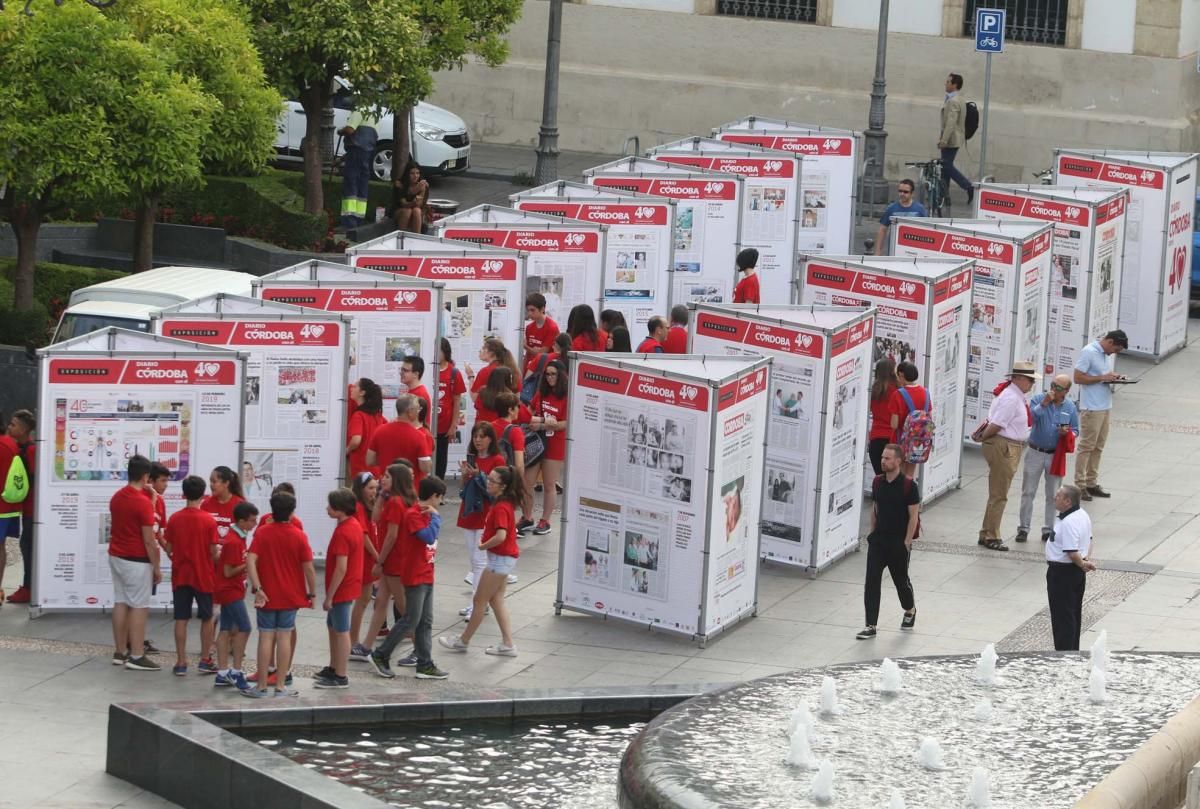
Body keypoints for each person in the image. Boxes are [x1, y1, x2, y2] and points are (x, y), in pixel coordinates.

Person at [438, 465, 525, 657]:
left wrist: (483, 545)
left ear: (502, 486)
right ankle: (508, 644)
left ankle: (463, 641)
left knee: (479, 600)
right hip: (503, 559)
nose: (488, 483)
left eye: (492, 481)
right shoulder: (503, 504)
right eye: (489, 479)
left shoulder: (501, 507)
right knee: (496, 600)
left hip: (499, 560)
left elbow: (501, 535)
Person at [369, 476, 449, 680]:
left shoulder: (424, 513)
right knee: (411, 619)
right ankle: (380, 654)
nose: (440, 502)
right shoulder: (413, 514)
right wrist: (436, 517)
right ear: (434, 496)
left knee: (425, 621)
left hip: (427, 573)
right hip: (415, 575)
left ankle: (424, 664)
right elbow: (428, 537)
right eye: (440, 498)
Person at [244, 491, 315, 698]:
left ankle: (262, 686)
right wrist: (312, 593)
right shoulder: (299, 535)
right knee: (284, 636)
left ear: (272, 511)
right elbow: (309, 568)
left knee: (265, 636)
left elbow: (250, 560)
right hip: (291, 595)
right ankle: (281, 686)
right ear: (292, 513)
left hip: (267, 595)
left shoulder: (263, 532)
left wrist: (257, 588)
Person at [973, 361, 1039, 552]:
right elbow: (997, 424)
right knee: (999, 494)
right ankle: (992, 536)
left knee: (997, 492)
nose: (1032, 383)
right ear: (1017, 378)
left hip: (1007, 445)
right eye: (1029, 380)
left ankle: (986, 532)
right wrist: (983, 437)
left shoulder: (1013, 394)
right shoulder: (1011, 397)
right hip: (1005, 446)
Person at [856, 443, 919, 639]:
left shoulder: (909, 485)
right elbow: (875, 509)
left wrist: (907, 542)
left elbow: (913, 517)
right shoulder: (877, 482)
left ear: (898, 461)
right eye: (882, 457)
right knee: (872, 582)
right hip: (879, 542)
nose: (883, 461)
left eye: (887, 458)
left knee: (901, 581)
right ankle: (870, 625)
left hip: (898, 543)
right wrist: (872, 534)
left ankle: (910, 610)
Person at [109, 455, 161, 671]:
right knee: (139, 606)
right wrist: (157, 567)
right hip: (136, 560)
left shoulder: (117, 497)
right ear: (146, 476)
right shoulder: (142, 503)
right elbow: (149, 540)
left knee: (121, 602)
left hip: (116, 555)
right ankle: (137, 655)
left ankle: (120, 651)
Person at [164, 475, 220, 676]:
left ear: (183, 494)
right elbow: (214, 553)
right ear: (203, 495)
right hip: (203, 575)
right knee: (207, 618)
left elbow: (169, 549)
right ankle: (205, 659)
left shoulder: (175, 518)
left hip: (181, 575)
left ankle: (181, 662)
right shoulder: (208, 521)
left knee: (181, 618)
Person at [1017, 374, 1080, 544]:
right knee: (1028, 491)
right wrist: (1043, 404)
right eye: (1052, 385)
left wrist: (1068, 434)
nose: (1053, 390)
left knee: (1053, 494)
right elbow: (1030, 419)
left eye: (1058, 388)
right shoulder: (1039, 399)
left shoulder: (1069, 406)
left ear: (1066, 391)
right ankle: (1023, 528)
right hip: (1035, 451)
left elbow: (1076, 429)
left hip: (1055, 454)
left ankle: (1048, 528)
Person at [315, 488, 365, 689]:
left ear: (339, 509)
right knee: (333, 626)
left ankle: (341, 675)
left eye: (330, 505)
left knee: (342, 630)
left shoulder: (343, 531)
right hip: (349, 586)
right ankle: (334, 666)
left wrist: (330, 596)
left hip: (342, 590)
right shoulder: (353, 525)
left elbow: (341, 568)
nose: (327, 508)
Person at [364, 463, 418, 646]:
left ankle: (421, 651)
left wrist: (379, 561)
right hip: (395, 559)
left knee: (403, 606)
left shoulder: (395, 502)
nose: (382, 479)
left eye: (387, 476)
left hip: (394, 560)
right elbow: (375, 518)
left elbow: (391, 535)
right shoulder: (397, 499)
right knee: (380, 602)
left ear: (396, 480)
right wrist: (380, 496)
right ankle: (366, 645)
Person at [457, 423, 506, 618]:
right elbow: (463, 489)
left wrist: (481, 476)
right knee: (474, 560)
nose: (478, 440)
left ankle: (477, 604)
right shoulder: (473, 459)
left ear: (491, 439)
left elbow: (497, 489)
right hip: (470, 512)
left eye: (482, 436)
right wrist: (465, 476)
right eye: (475, 436)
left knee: (479, 561)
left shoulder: (497, 460)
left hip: (486, 513)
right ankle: (480, 602)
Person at [1073, 329, 1128, 500]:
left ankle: (1091, 482)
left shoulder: (1104, 354)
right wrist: (1102, 377)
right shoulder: (1089, 352)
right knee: (1086, 447)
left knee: (1098, 446)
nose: (1114, 353)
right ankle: (1079, 485)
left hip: (1105, 405)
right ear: (1110, 342)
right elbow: (1078, 378)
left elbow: (1101, 376)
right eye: (1116, 349)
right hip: (1091, 407)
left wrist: (1113, 377)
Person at [1046, 484, 1096, 651]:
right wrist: (1085, 559)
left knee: (1062, 617)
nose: (1055, 498)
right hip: (1074, 572)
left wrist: (1081, 563)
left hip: (1062, 573)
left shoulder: (1069, 522)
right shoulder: (1082, 515)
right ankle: (1072, 651)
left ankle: (1064, 654)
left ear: (1068, 501)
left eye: (1058, 496)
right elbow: (1089, 540)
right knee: (1073, 614)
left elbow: (1071, 552)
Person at [213, 501, 257, 691]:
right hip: (230, 590)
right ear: (241, 521)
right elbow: (228, 571)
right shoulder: (233, 541)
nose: (254, 524)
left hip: (230, 589)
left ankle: (222, 673)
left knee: (224, 629)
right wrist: (247, 564)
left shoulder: (238, 537)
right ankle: (237, 672)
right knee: (245, 628)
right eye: (251, 521)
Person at [525, 360, 568, 536]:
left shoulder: (566, 396)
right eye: (548, 374)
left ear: (561, 376)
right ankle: (527, 517)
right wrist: (536, 421)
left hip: (555, 443)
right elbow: (529, 412)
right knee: (527, 482)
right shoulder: (541, 394)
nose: (550, 378)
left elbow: (565, 423)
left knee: (549, 485)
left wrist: (543, 425)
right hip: (536, 442)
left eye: (554, 374)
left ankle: (545, 520)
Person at [349, 472, 383, 660]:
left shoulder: (370, 506)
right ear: (360, 489)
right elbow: (363, 536)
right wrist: (378, 556)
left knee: (365, 601)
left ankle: (355, 641)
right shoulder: (358, 507)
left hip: (369, 560)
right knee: (361, 602)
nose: (374, 491)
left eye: (376, 487)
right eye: (370, 488)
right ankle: (353, 641)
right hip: (364, 560)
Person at [4, 410, 34, 605]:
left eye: (13, 425)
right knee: (26, 544)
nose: (9, 427)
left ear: (23, 429)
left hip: (32, 508)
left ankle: (29, 588)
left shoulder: (30, 451)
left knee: (27, 545)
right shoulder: (19, 448)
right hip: (27, 507)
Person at [366, 395, 433, 483]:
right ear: (410, 412)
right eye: (417, 408)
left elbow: (370, 461)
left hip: (387, 486)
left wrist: (385, 459)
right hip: (410, 488)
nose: (418, 411)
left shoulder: (380, 430)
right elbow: (425, 468)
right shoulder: (419, 436)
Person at [338, 108, 379, 229]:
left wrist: (341, 131)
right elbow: (364, 146)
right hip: (367, 154)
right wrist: (341, 160)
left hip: (355, 153)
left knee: (351, 184)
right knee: (362, 186)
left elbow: (350, 130)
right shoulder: (374, 116)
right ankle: (358, 221)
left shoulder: (359, 110)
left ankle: (348, 223)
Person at [889, 362, 930, 479]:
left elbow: (894, 424)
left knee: (898, 475)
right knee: (909, 475)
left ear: (901, 375)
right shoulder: (925, 393)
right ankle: (909, 494)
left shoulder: (897, 395)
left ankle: (899, 497)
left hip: (900, 440)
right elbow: (929, 418)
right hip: (919, 441)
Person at [938, 73, 974, 205]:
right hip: (952, 138)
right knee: (944, 167)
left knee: (946, 165)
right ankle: (944, 196)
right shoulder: (957, 99)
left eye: (948, 82)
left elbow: (951, 123)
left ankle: (968, 187)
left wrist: (944, 140)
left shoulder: (953, 101)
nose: (945, 84)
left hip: (951, 139)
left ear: (954, 85)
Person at [435, 339, 467, 480]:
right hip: (427, 423)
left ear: (445, 351)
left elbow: (457, 400)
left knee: (441, 458)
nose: (435, 352)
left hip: (444, 424)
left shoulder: (453, 372)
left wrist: (454, 425)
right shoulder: (428, 369)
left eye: (439, 349)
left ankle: (438, 492)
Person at [467, 337, 521, 420]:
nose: (480, 351)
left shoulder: (485, 372)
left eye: (483, 348)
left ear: (491, 353)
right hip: (506, 421)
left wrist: (471, 377)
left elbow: (475, 398)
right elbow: (517, 397)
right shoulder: (512, 370)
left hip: (487, 422)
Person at [346, 378, 386, 478]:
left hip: (360, 468)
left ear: (362, 393)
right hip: (375, 467)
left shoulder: (358, 415)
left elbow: (356, 440)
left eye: (355, 387)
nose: (351, 389)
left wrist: (346, 450)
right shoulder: (378, 416)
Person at [875, 179, 927, 255]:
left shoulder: (920, 209)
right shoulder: (891, 208)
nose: (902, 194)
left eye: (905, 192)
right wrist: (878, 251)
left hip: (914, 251)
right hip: (894, 251)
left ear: (912, 194)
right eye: (900, 191)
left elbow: (927, 231)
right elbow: (882, 230)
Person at [868, 358, 898, 475]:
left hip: (876, 438)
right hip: (892, 438)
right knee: (892, 480)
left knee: (880, 480)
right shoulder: (897, 391)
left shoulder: (873, 390)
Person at [201, 466, 245, 539]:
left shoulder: (240, 504)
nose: (211, 485)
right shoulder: (206, 503)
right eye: (210, 481)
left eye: (214, 481)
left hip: (232, 549)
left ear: (226, 483)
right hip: (212, 549)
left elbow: (243, 533)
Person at [524, 293, 560, 370]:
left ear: (542, 309)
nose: (529, 313)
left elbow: (542, 353)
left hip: (545, 369)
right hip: (531, 368)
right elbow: (529, 354)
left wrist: (525, 346)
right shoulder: (529, 327)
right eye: (528, 310)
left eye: (532, 310)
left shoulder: (552, 328)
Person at [392, 163, 429, 233]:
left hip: (416, 212)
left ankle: (416, 238)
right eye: (412, 173)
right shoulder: (399, 184)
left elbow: (419, 205)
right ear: (407, 174)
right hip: (400, 211)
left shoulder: (422, 185)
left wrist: (422, 190)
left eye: (417, 173)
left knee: (417, 210)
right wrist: (414, 200)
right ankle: (401, 236)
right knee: (408, 210)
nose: (415, 176)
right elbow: (404, 204)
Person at [401, 355, 432, 429]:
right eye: (401, 369)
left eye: (405, 370)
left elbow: (418, 424)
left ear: (416, 374)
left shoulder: (420, 394)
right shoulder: (412, 391)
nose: (401, 373)